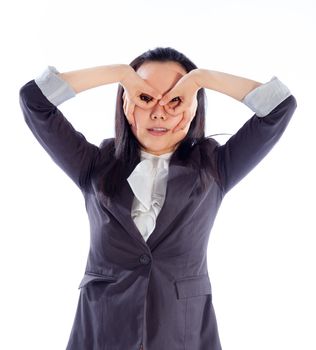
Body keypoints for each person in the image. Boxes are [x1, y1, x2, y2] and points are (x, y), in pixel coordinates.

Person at [19, 47, 297, 350]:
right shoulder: (94, 165)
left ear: (193, 106)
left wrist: (200, 79)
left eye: (175, 99)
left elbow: (280, 106)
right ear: (126, 103)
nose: (159, 112)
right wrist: (120, 74)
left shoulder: (215, 167)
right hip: (102, 334)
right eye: (145, 97)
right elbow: (35, 101)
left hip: (183, 334)